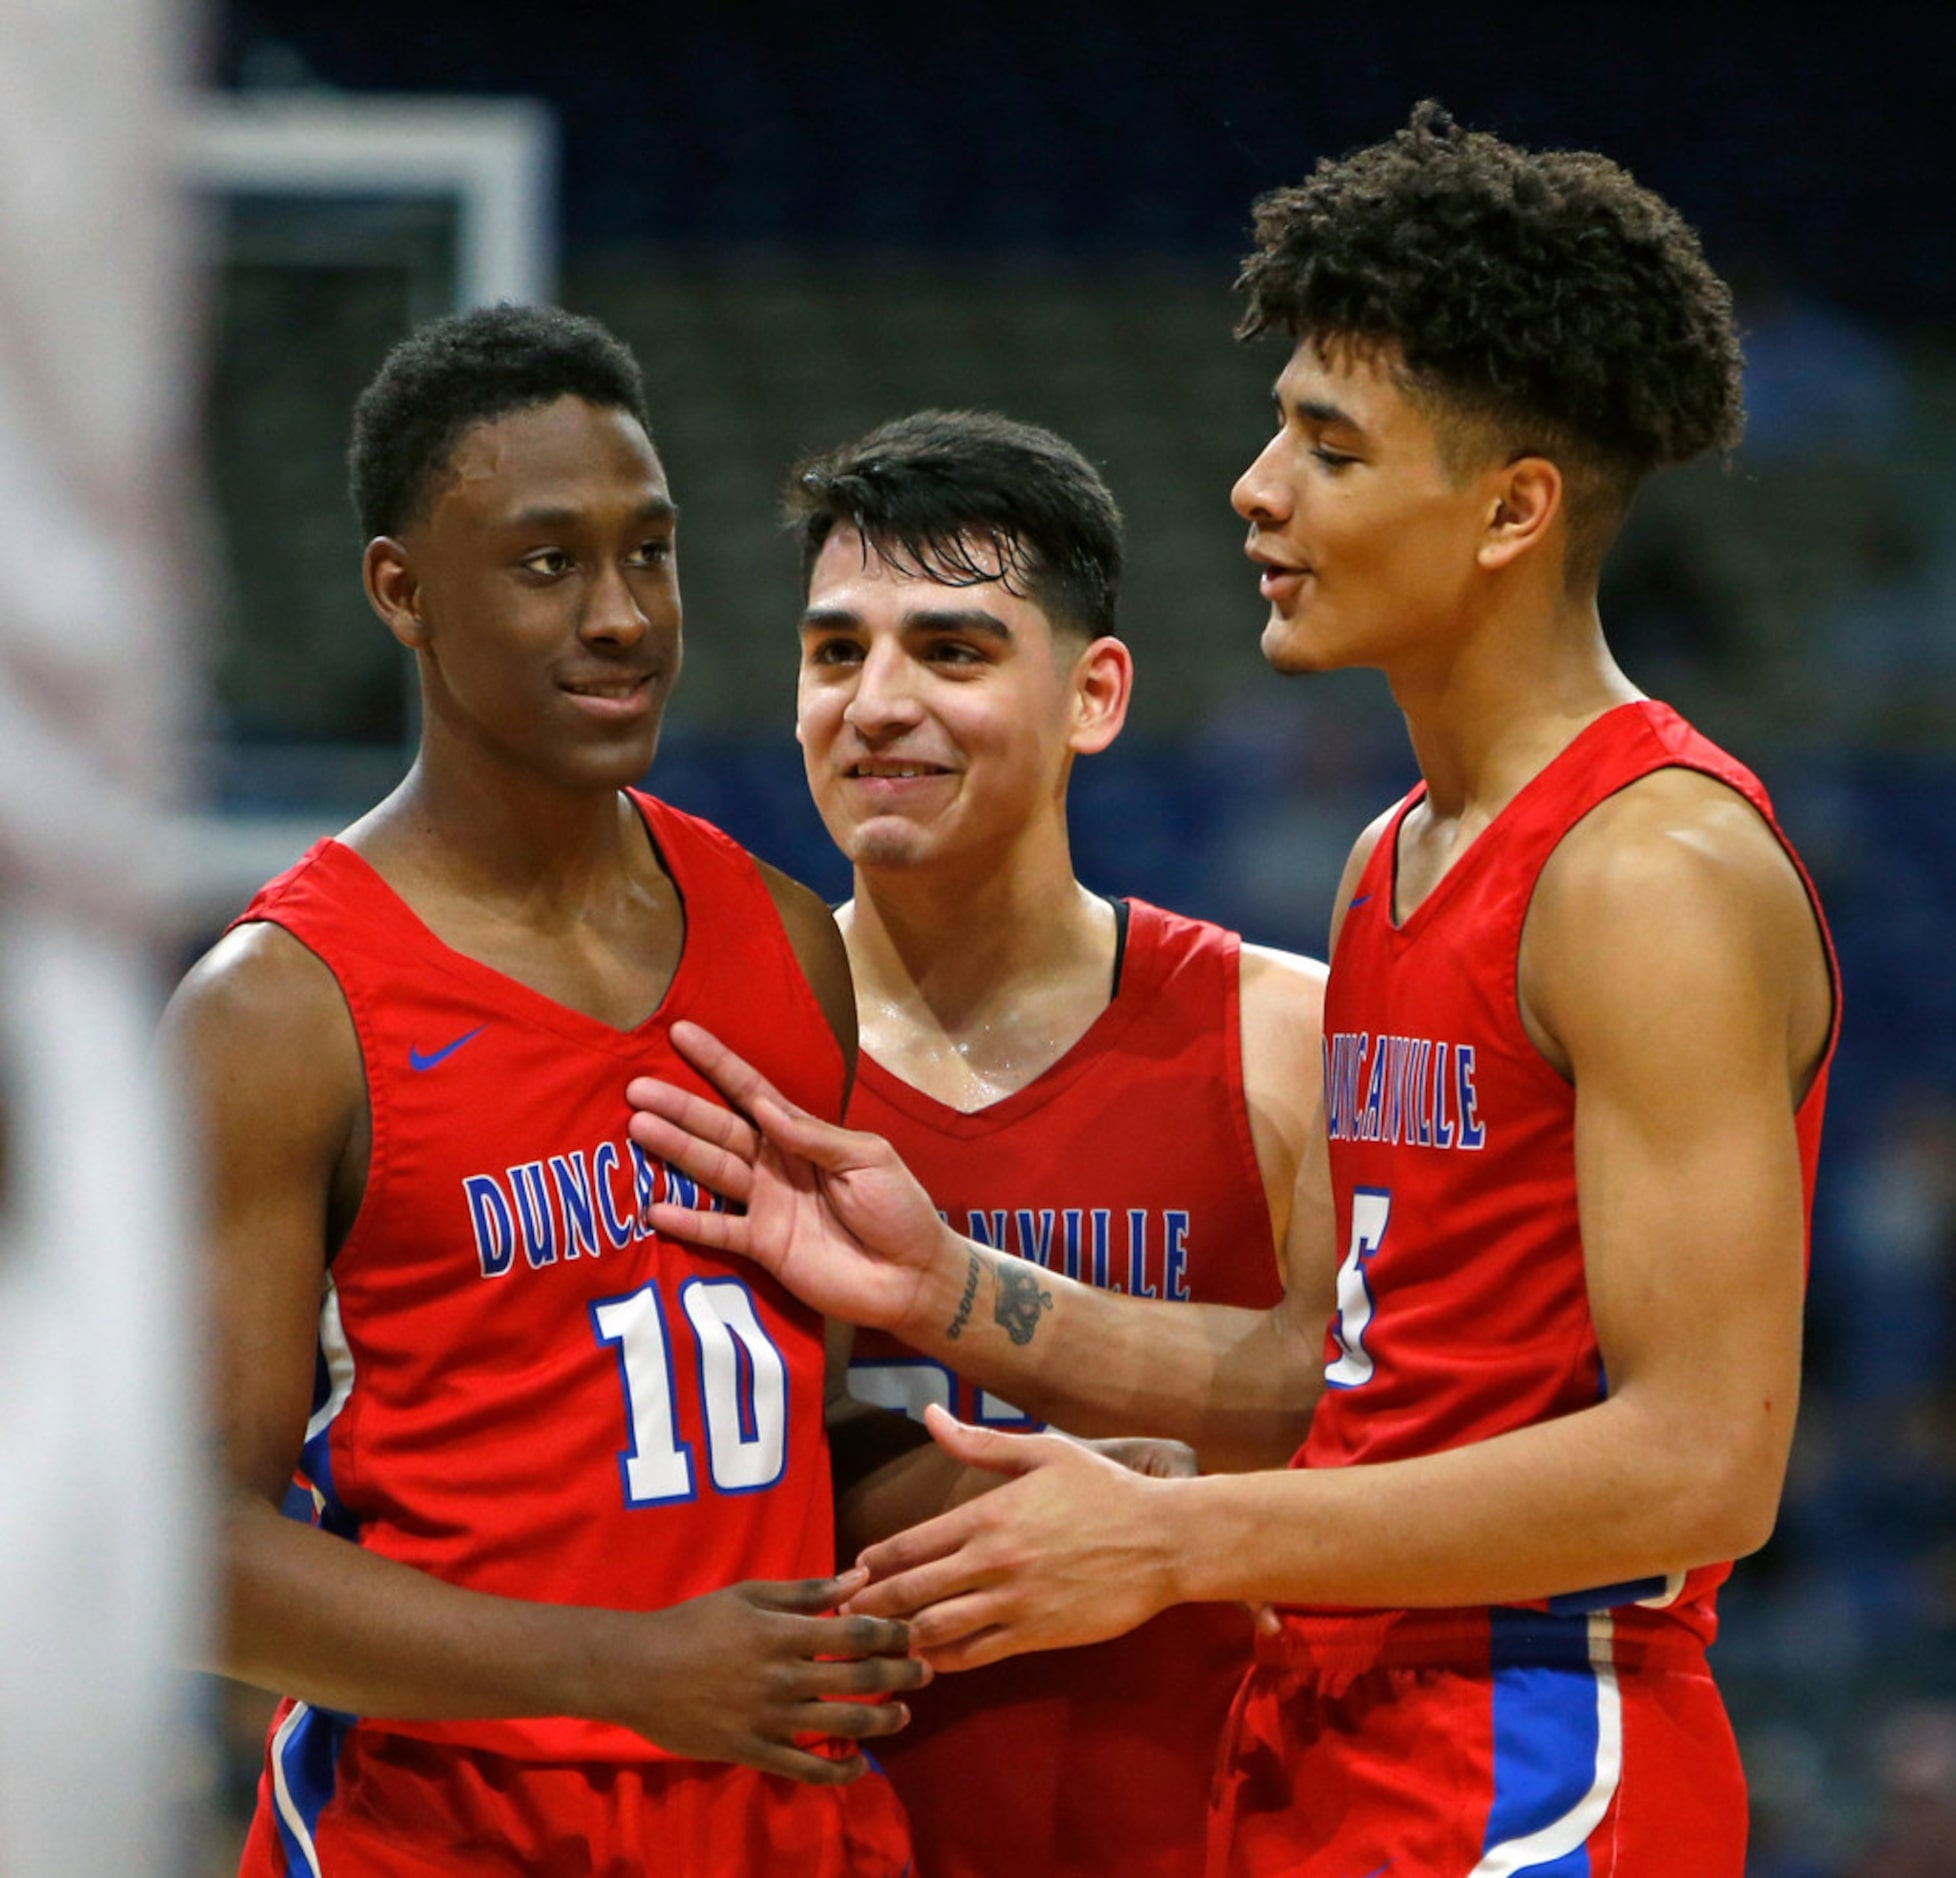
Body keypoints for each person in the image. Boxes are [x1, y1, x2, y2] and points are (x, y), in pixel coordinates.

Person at [625, 102, 1841, 1877]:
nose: (1256, 489)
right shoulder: (1394, 858)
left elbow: (1699, 1466)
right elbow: (1334, 1375)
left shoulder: (1649, 872)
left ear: (1511, 508)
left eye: (1328, 447)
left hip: (1542, 1738)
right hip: (1337, 1727)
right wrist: (953, 1286)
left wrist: (1186, 1545)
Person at [165, 303, 928, 1877]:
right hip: (445, 1826)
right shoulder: (278, 1012)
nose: (622, 616)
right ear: (401, 591)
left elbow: (780, 1430)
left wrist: (1051, 1491)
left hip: (775, 1819)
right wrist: (625, 1669)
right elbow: (195, 1556)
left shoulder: (788, 939)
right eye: (544, 563)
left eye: (648, 553)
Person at [784, 409, 1329, 1878]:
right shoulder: (726, 1056)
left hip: (1221, 1831)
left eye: (951, 652)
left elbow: (1400, 1429)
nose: (877, 702)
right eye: (838, 652)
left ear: (1095, 694)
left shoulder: (1284, 1038)